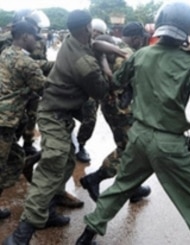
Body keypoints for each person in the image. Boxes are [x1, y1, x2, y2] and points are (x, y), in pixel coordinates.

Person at [75, 2, 190, 244]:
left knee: (121, 187)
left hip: (138, 136)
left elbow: (115, 82)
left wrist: (105, 59)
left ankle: (87, 236)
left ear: (158, 26)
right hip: (169, 146)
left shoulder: (141, 55)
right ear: (189, 29)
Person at [3, 9, 111, 244]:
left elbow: (93, 44)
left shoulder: (73, 40)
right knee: (53, 166)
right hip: (54, 113)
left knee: (67, 162)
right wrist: (105, 61)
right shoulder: (85, 63)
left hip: (58, 112)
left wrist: (113, 49)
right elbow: (101, 90)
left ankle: (48, 210)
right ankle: (23, 232)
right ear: (87, 28)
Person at [80, 22, 151, 203]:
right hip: (122, 108)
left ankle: (132, 188)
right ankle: (94, 179)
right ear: (136, 38)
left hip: (111, 105)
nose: (142, 42)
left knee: (127, 145)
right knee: (129, 148)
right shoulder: (130, 55)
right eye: (142, 39)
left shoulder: (112, 45)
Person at [0, 20, 47, 219]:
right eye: (35, 37)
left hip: (5, 119)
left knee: (16, 157)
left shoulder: (6, 53)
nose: (37, 42)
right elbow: (45, 88)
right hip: (5, 121)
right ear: (25, 36)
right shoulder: (26, 63)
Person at [75, 18, 108, 163]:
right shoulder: (76, 44)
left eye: (99, 32)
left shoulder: (101, 47)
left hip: (92, 90)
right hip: (75, 88)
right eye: (94, 30)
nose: (95, 34)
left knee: (90, 120)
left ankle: (80, 144)